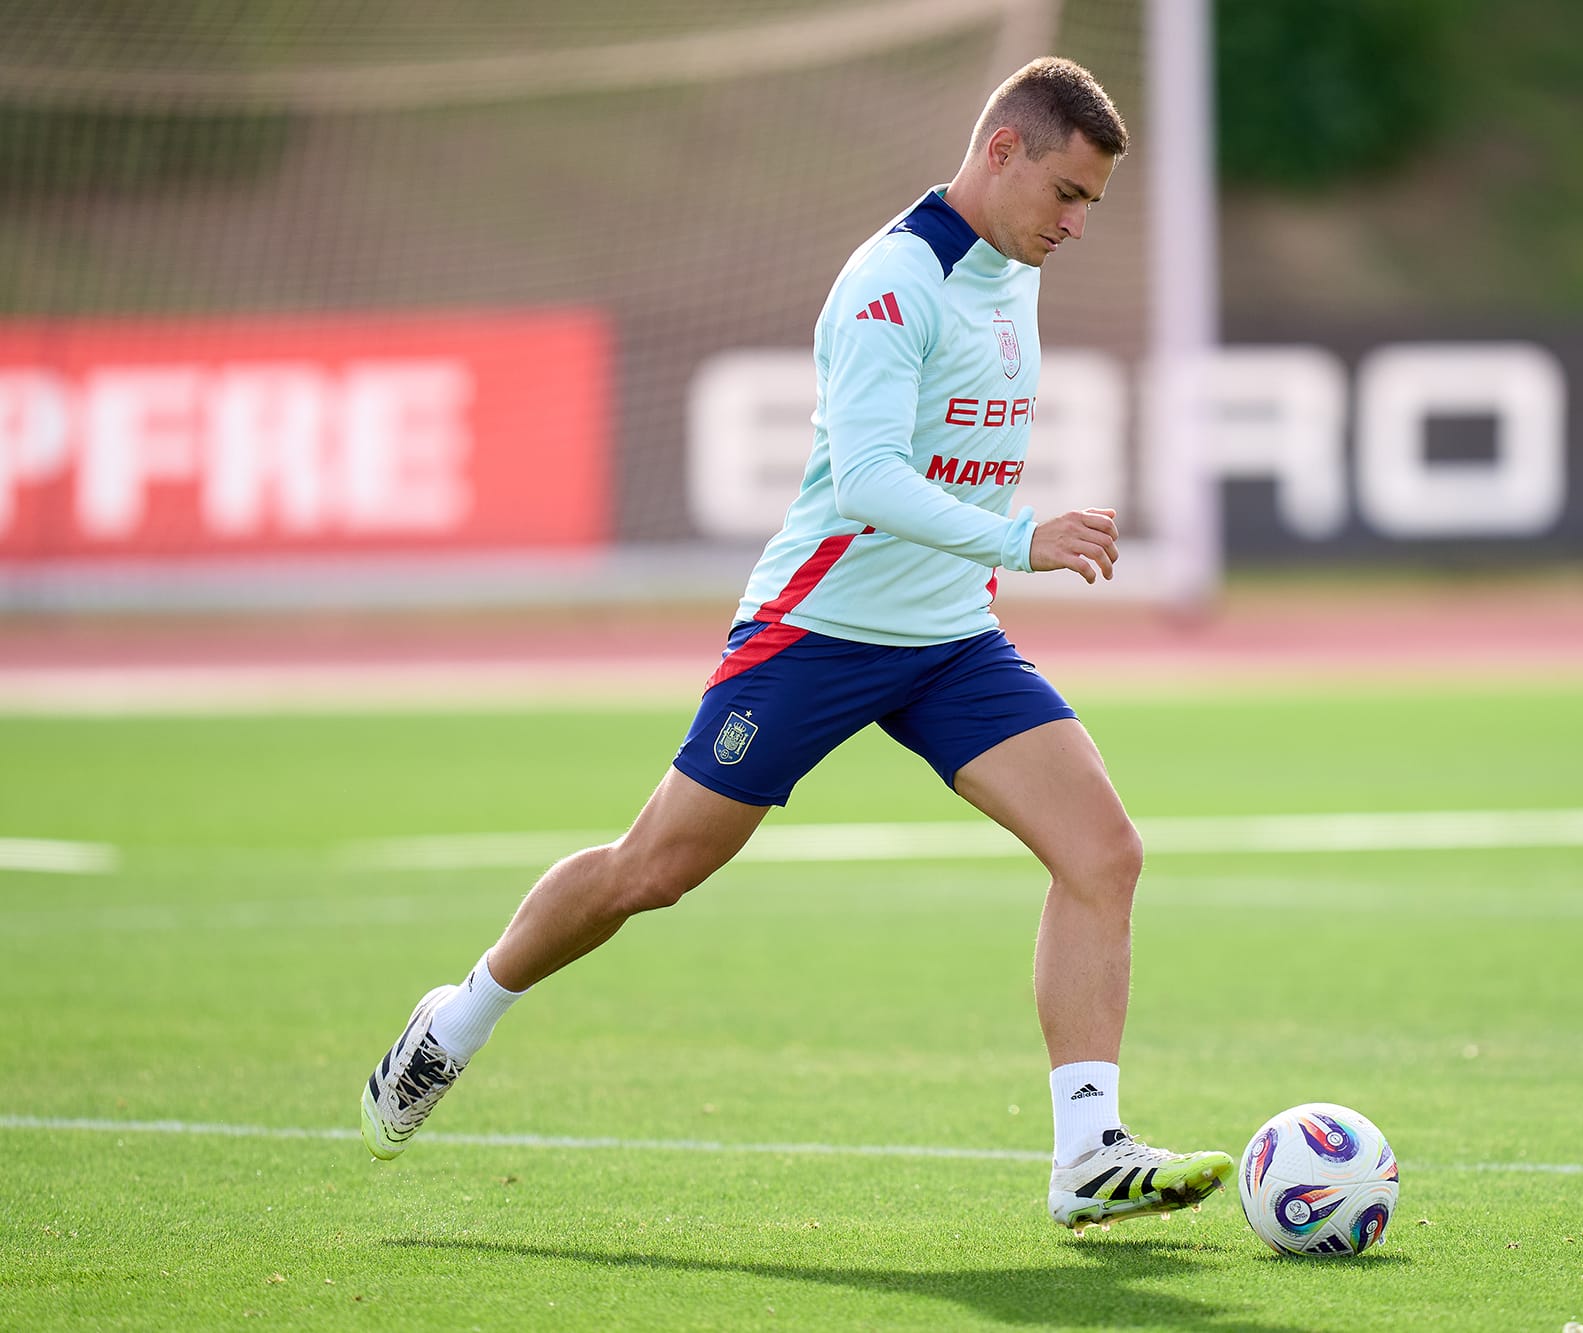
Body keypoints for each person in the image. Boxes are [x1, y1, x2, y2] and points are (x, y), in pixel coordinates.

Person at [360, 56, 1232, 1232]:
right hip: (816, 632)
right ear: (1001, 152)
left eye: (1092, 204)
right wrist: (1020, 538)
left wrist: (988, 560)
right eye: (1067, 194)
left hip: (950, 639)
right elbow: (866, 479)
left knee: (1103, 852)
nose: (1076, 223)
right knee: (652, 871)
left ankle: (1087, 1151)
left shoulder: (1012, 269)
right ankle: (459, 1016)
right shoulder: (890, 280)